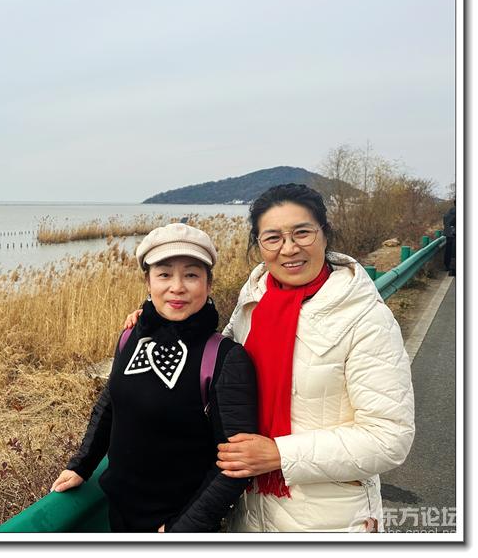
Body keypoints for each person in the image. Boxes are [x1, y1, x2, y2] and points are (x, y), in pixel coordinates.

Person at [122, 184, 415, 532]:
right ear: (259, 245)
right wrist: (154, 322)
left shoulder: (365, 318)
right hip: (247, 512)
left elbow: (389, 438)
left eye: (302, 233)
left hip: (327, 519)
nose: (289, 248)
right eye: (273, 238)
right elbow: (214, 363)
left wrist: (279, 454)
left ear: (325, 234)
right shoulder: (254, 300)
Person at [51, 223, 258, 532]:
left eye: (191, 275)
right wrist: (82, 465)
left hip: (174, 527)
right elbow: (111, 402)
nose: (177, 287)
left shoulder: (224, 358)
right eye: (164, 274)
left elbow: (235, 464)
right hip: (119, 513)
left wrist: (180, 529)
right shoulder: (131, 336)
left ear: (208, 284)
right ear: (148, 282)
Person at [443, 199, 455, 276]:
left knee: (448, 250)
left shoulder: (448, 212)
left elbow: (445, 222)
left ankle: (447, 266)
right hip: (454, 234)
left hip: (448, 234)